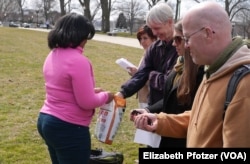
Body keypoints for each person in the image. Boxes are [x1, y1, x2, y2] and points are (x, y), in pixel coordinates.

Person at [133, 1, 250, 147]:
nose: (185, 45)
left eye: (187, 38)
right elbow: (199, 119)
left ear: (207, 33)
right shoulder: (215, 69)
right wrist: (160, 122)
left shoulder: (244, 83)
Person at [37, 13, 114, 164]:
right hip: (68, 127)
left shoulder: (53, 54)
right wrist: (106, 96)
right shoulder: (79, 61)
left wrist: (91, 91)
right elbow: (86, 102)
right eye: (86, 36)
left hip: (47, 120)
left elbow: (63, 89)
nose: (86, 41)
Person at [131, 19, 204, 148]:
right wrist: (148, 110)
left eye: (178, 39)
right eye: (174, 40)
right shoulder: (179, 66)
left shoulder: (201, 72)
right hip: (166, 134)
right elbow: (169, 98)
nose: (174, 44)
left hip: (182, 139)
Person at [116, 3, 178, 107]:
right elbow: (141, 74)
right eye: (151, 28)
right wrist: (122, 92)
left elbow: (169, 83)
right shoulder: (154, 48)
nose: (154, 33)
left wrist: (151, 75)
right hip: (152, 105)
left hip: (172, 110)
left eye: (157, 28)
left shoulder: (181, 49)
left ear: (170, 22)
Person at [127, 24, 157, 108]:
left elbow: (157, 82)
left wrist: (138, 74)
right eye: (140, 39)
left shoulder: (156, 57)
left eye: (145, 38)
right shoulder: (146, 54)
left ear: (154, 39)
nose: (142, 41)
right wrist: (135, 73)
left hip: (151, 101)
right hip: (143, 98)